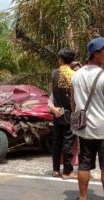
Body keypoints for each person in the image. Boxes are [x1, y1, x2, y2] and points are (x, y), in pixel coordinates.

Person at [71, 37, 104, 200]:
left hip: (84, 128)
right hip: (102, 128)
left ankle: (83, 197)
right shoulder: (103, 76)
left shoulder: (76, 75)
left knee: (84, 163)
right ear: (96, 54)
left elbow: (73, 103)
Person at [48, 47, 77, 179]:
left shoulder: (54, 73)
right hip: (69, 113)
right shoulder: (74, 75)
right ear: (72, 60)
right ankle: (67, 171)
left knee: (57, 142)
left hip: (57, 112)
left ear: (61, 59)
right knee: (68, 143)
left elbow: (54, 93)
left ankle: (55, 170)